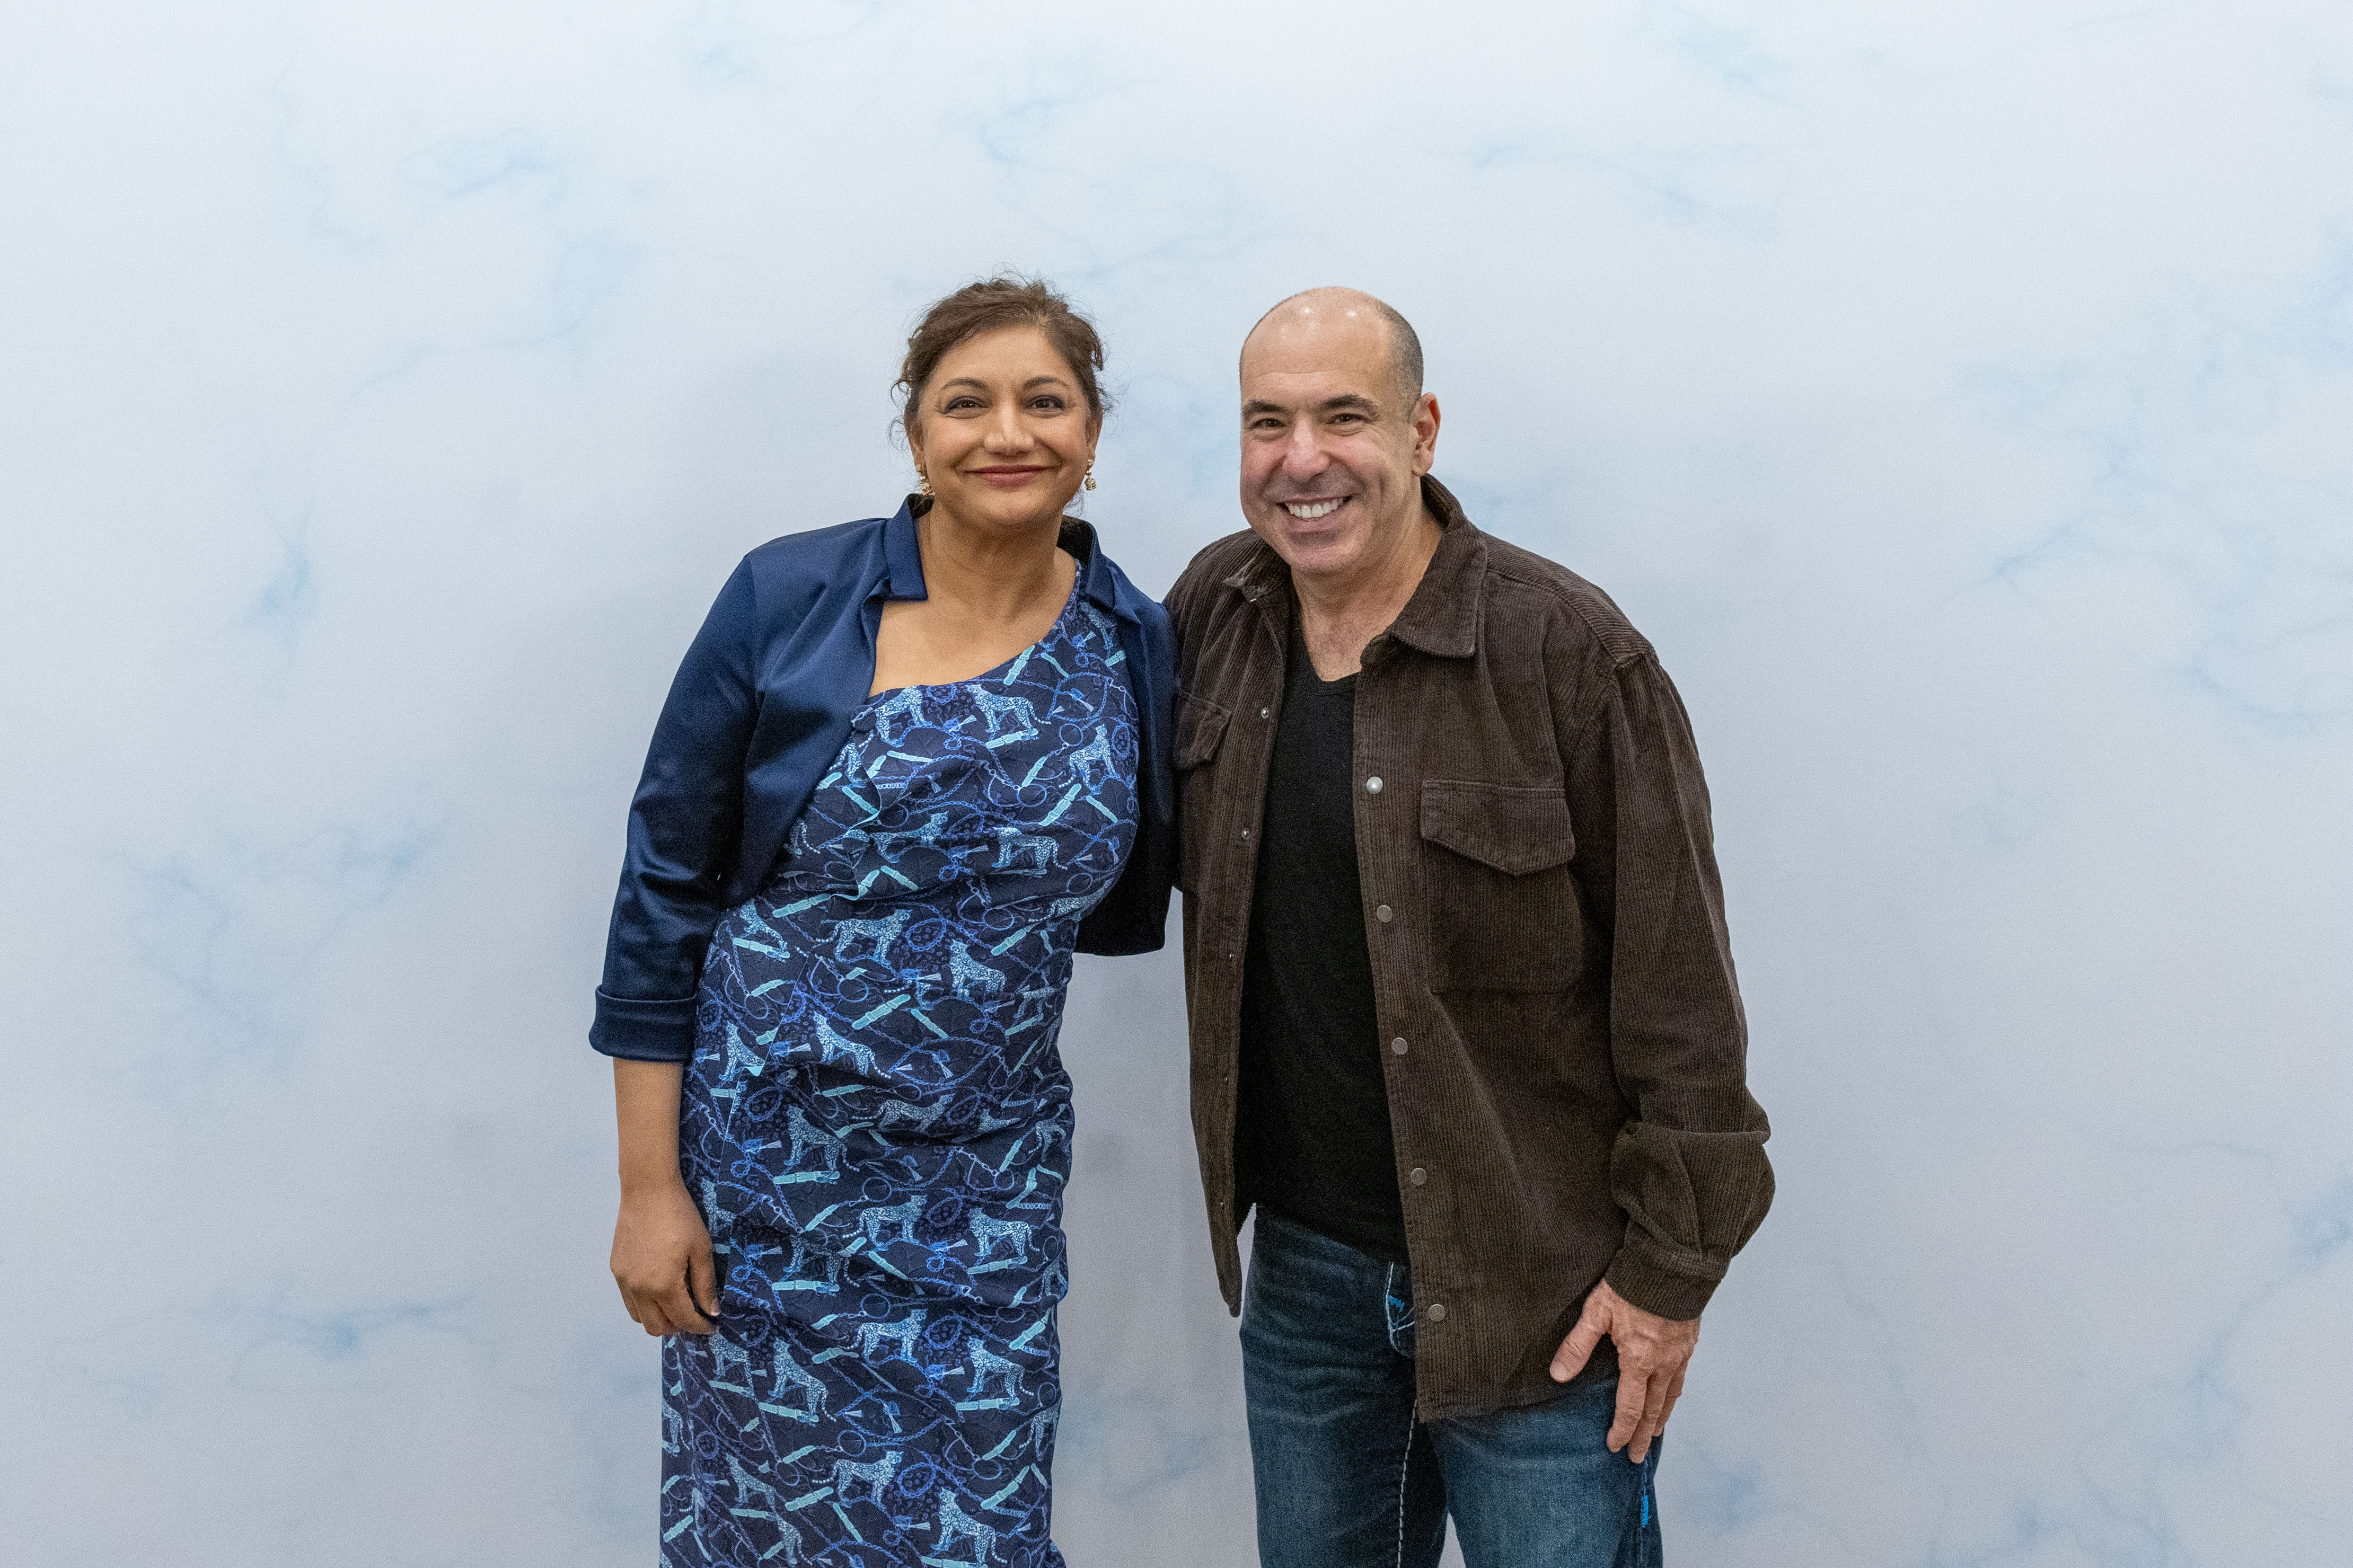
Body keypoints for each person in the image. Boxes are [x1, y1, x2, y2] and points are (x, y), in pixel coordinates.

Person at [1162, 288, 1773, 1567]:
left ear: (1423, 429)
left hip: (1546, 1295)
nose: (1302, 459)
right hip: (1307, 1291)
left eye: (1344, 417)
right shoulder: (1217, 612)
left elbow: (1682, 998)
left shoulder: (1569, 652)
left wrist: (1666, 1280)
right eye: (1267, 422)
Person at [590, 276, 1174, 1568]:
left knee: (980, 1531)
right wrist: (649, 1188)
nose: (1007, 433)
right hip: (766, 1187)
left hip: (986, 1192)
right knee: (768, 1535)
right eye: (966, 404)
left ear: (1090, 436)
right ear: (916, 435)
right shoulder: (788, 596)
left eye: (1045, 402)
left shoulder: (1135, 640)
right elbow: (664, 891)